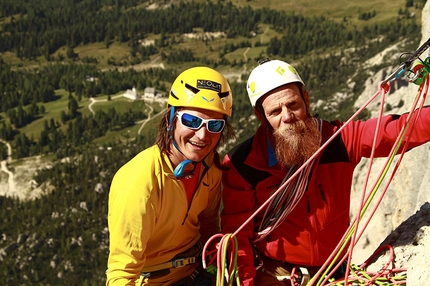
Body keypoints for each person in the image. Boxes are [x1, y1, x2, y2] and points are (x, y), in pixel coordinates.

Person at [221, 59, 430, 285]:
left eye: (293, 105)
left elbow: (398, 129)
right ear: (261, 116)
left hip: (334, 271)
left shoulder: (338, 140)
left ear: (306, 99)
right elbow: (236, 235)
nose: (287, 117)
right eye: (275, 111)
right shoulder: (243, 165)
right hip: (277, 276)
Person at [106, 66, 234, 286]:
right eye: (192, 121)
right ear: (170, 119)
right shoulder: (139, 183)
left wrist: (216, 269)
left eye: (214, 125)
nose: (203, 135)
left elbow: (210, 226)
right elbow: (121, 275)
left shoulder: (210, 167)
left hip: (198, 272)